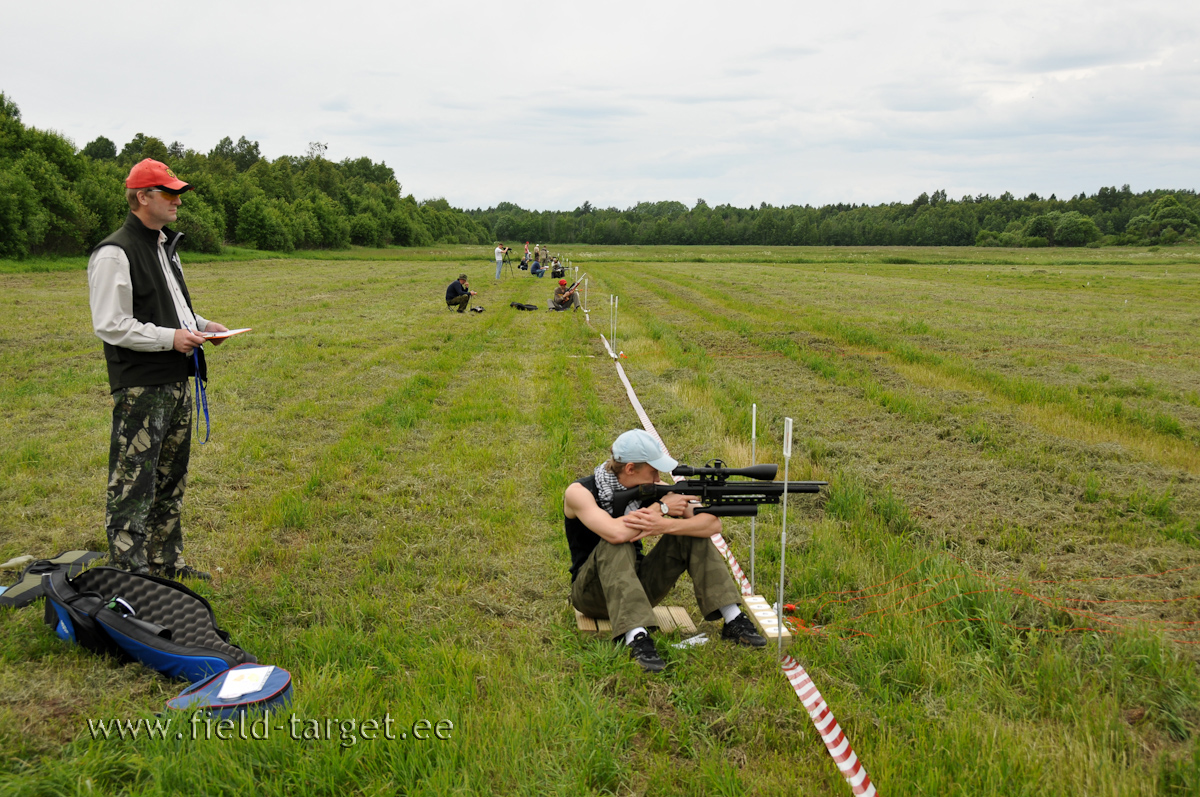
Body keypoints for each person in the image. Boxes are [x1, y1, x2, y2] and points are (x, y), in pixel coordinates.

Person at [86, 158, 229, 581]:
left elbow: (173, 308)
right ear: (143, 197)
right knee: (133, 482)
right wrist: (171, 338)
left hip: (177, 380)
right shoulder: (115, 252)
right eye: (169, 193)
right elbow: (111, 324)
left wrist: (203, 326)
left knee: (171, 479)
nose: (177, 201)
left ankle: (167, 563)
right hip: (141, 386)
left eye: (178, 193)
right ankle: (130, 575)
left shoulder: (165, 246)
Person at [563, 430, 766, 672]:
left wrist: (667, 525)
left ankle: (732, 618)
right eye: (653, 471)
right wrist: (661, 508)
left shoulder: (652, 488)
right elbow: (615, 533)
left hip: (637, 589)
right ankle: (636, 637)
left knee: (690, 532)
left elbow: (712, 525)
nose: (658, 478)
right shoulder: (579, 492)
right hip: (591, 595)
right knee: (617, 542)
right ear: (630, 468)